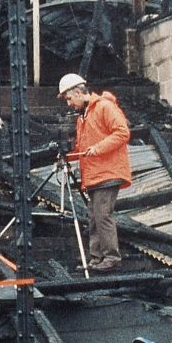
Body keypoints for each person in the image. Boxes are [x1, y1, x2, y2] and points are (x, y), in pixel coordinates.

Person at [58, 73, 132, 273]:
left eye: (68, 98)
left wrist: (99, 148)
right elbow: (84, 148)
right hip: (95, 175)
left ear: (79, 92)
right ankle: (96, 259)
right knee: (93, 216)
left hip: (108, 172)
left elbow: (122, 132)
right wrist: (68, 157)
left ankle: (111, 257)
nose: (69, 104)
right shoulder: (84, 116)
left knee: (102, 214)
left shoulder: (105, 107)